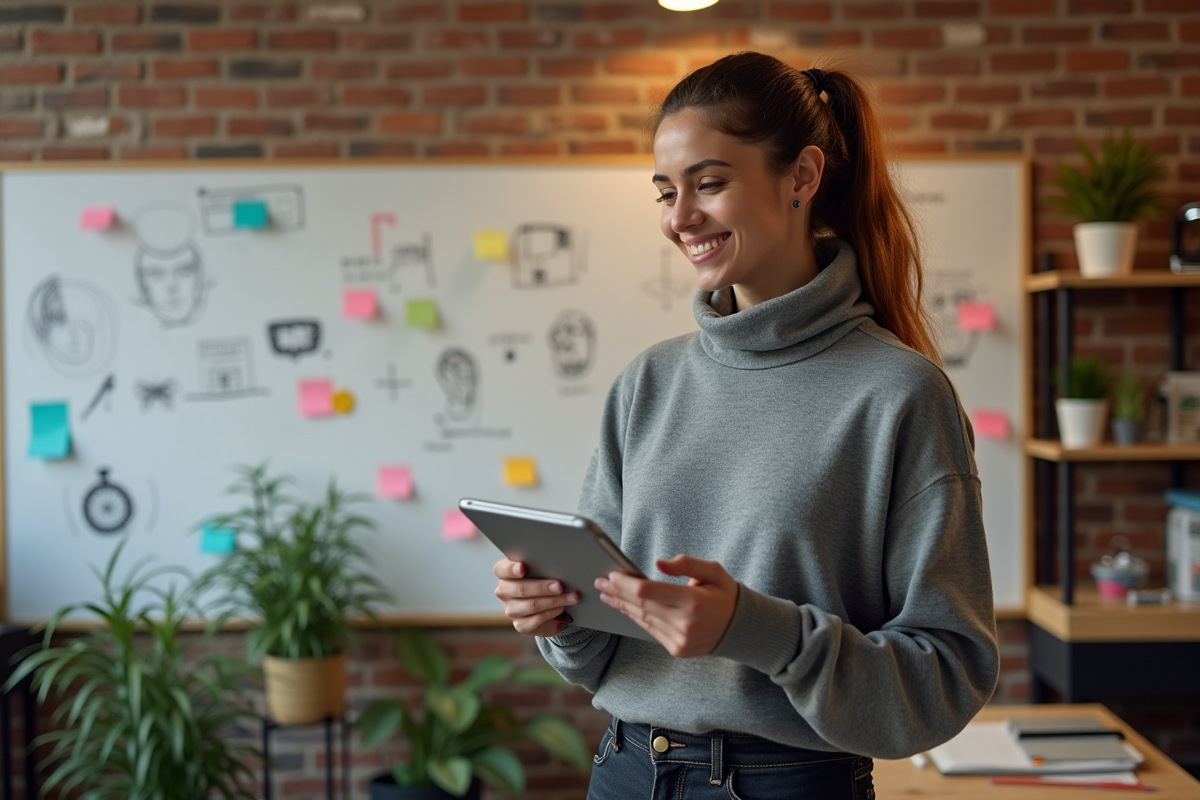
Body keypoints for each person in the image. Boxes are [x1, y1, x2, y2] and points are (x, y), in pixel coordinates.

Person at [493, 51, 999, 799]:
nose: (679, 218)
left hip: (786, 782)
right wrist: (559, 618)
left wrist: (757, 630)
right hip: (625, 770)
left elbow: (947, 679)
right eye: (666, 192)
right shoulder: (647, 383)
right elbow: (603, 650)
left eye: (710, 183)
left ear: (802, 176)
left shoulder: (900, 395)